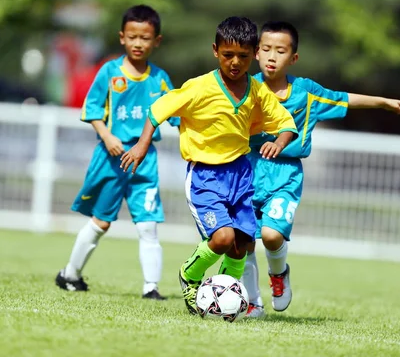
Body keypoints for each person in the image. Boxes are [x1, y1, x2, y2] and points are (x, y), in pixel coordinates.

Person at [120, 16, 298, 314]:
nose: (235, 62)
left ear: (254, 53)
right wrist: (141, 144)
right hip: (205, 176)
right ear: (216, 51)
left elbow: (285, 123)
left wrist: (278, 142)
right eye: (228, 55)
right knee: (223, 238)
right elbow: (157, 109)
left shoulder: (256, 91)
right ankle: (190, 276)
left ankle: (225, 299)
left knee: (242, 243)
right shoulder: (199, 87)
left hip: (240, 174)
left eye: (243, 56)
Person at [241, 21, 400, 318]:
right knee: (243, 240)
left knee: (270, 236)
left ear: (293, 58)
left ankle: (279, 274)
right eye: (266, 49)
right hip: (247, 170)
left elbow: (343, 98)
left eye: (280, 51)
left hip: (285, 175)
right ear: (256, 53)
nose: (271, 56)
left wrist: (382, 102)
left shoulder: (306, 92)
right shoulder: (246, 87)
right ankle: (253, 303)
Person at [55, 5, 179, 300]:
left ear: (156, 41)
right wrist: (107, 134)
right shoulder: (110, 72)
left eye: (145, 38)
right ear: (122, 37)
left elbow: (177, 115)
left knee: (148, 225)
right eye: (133, 36)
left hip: (145, 161)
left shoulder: (160, 79)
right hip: (112, 158)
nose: (138, 43)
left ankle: (151, 288)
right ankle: (70, 274)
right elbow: (92, 109)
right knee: (101, 222)